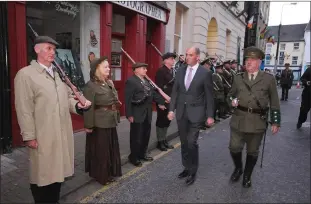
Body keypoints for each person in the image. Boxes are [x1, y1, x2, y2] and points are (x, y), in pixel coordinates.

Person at [14, 36, 92, 204]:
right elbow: (23, 108)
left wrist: (79, 106)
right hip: (43, 134)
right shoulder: (26, 75)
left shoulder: (58, 75)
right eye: (48, 48)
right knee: (42, 174)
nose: (53, 52)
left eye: (54, 49)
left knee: (57, 174)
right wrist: (29, 136)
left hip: (61, 132)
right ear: (37, 50)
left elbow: (68, 99)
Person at [227, 46, 280, 188]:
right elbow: (230, 95)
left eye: (252, 59)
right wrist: (232, 101)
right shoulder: (238, 78)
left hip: (257, 121)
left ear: (259, 62)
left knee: (252, 151)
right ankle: (238, 168)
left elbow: (274, 101)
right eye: (247, 59)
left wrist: (276, 121)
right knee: (234, 147)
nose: (248, 62)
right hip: (239, 118)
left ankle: (247, 176)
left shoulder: (268, 79)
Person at [168, 47, 214, 185]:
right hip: (182, 113)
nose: (187, 57)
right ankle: (186, 168)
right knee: (183, 143)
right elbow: (175, 92)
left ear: (197, 57)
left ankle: (193, 171)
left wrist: (210, 115)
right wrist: (171, 110)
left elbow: (209, 96)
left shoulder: (205, 73)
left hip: (197, 113)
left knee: (191, 142)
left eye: (190, 55)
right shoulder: (180, 71)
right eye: (186, 54)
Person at [83, 56, 122, 185]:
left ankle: (109, 173)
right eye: (105, 67)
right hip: (99, 123)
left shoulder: (108, 82)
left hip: (110, 120)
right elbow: (88, 107)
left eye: (108, 66)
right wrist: (88, 126)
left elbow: (114, 98)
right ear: (97, 69)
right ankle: (101, 176)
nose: (108, 69)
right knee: (101, 151)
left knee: (110, 149)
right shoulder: (91, 86)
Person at [125, 63, 166, 167]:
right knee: (136, 137)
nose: (146, 70)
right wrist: (129, 114)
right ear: (136, 70)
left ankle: (142, 153)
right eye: (143, 68)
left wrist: (161, 102)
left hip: (147, 113)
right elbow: (128, 99)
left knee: (145, 135)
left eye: (146, 68)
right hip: (137, 113)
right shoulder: (131, 81)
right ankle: (134, 157)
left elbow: (153, 94)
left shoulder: (146, 81)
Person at [155, 52, 176, 151]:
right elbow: (158, 88)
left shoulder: (172, 71)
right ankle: (160, 141)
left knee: (167, 120)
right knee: (161, 121)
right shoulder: (161, 71)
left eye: (173, 59)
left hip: (171, 99)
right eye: (171, 59)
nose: (173, 60)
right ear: (166, 60)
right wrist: (160, 102)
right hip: (163, 100)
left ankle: (164, 140)